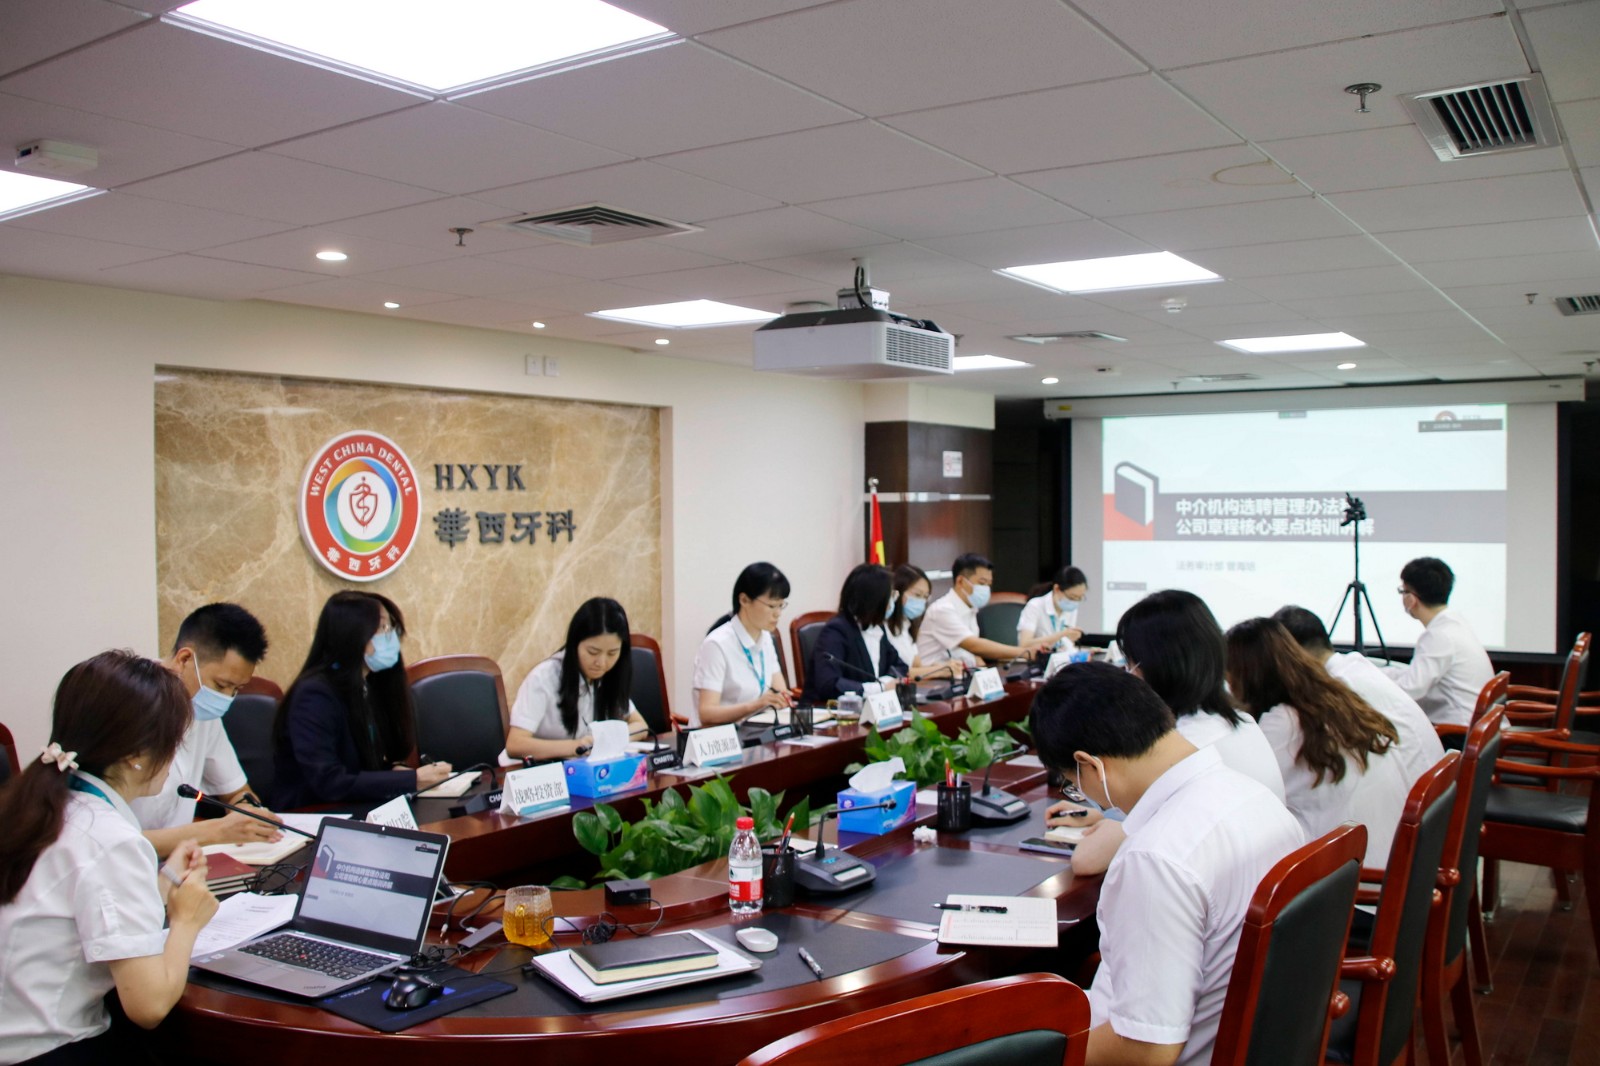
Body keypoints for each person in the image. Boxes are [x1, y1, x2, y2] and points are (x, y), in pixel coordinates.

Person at [1030, 662, 1303, 1066]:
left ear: (1090, 764)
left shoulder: (1155, 859)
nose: (1084, 796)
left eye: (1074, 784)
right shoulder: (1253, 796)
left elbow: (1145, 1050)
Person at [0, 651, 219, 1064]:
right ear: (137, 753)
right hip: (51, 1052)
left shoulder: (40, 805)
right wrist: (187, 921)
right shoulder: (111, 839)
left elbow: (71, 909)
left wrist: (165, 882)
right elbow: (149, 1005)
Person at [1054, 590, 1286, 876]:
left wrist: (1113, 823)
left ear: (1160, 667)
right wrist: (1107, 817)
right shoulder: (1242, 723)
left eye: (1130, 665)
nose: (1128, 677)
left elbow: (1087, 860)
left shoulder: (1184, 751)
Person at [1227, 617, 1410, 867]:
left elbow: (1242, 798)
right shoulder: (1334, 697)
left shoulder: (1284, 722)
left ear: (1245, 675)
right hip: (1390, 859)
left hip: (1354, 876)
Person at [271, 591, 452, 809]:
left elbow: (357, 766)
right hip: (311, 813)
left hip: (355, 808)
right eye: (382, 627)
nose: (391, 636)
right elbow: (328, 780)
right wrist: (410, 780)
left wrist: (392, 772)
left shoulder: (365, 685)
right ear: (352, 634)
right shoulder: (314, 694)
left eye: (391, 627)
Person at [131, 603, 284, 858]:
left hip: (181, 863)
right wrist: (216, 831)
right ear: (184, 659)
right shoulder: (126, 703)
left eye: (236, 689)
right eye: (221, 685)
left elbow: (236, 791)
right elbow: (112, 841)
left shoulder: (202, 711)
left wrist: (247, 812)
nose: (226, 698)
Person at [1273, 605, 1445, 781]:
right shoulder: (1355, 666)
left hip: (1415, 785)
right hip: (1433, 780)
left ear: (1292, 654)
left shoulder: (1336, 690)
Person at [503, 597, 648, 762]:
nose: (602, 663)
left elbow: (641, 726)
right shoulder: (544, 677)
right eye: (593, 652)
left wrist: (605, 739)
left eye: (612, 653)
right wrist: (577, 746)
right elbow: (516, 744)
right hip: (532, 770)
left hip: (579, 768)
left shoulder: (609, 677)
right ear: (575, 643)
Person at [1380, 557, 1494, 728]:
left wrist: (1370, 683)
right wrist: (1381, 674)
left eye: (1402, 591)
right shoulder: (1454, 624)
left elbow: (1410, 690)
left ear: (1411, 599)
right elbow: (1414, 677)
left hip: (1458, 732)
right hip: (1476, 727)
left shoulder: (1438, 636)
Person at [691, 563, 793, 727]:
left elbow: (781, 692)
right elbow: (706, 713)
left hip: (756, 731)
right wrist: (756, 705)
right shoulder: (717, 644)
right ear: (744, 600)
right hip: (719, 736)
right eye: (772, 606)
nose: (778, 613)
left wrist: (782, 699)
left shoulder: (766, 638)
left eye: (781, 605)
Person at [917, 553, 1060, 668]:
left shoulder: (971, 608)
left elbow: (971, 653)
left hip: (959, 675)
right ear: (960, 581)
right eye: (981, 583)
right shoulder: (943, 610)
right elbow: (974, 645)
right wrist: (1025, 652)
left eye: (988, 584)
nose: (986, 589)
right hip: (933, 681)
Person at [802, 564, 908, 703]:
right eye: (891, 596)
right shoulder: (836, 631)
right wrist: (879, 688)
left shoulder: (877, 628)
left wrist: (886, 682)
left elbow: (900, 666)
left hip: (871, 707)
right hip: (828, 709)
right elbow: (828, 684)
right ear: (874, 600)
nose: (893, 603)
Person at [885, 564, 966, 684]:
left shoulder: (907, 625)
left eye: (925, 597)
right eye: (917, 595)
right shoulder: (884, 627)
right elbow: (899, 672)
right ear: (898, 592)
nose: (921, 601)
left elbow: (916, 664)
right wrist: (940, 670)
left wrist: (942, 666)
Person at [1017, 565, 1088, 651]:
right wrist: (1062, 634)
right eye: (1072, 597)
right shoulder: (1035, 606)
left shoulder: (1071, 609)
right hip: (1037, 657)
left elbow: (1066, 644)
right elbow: (1024, 644)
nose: (1074, 602)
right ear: (1057, 589)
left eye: (1079, 598)